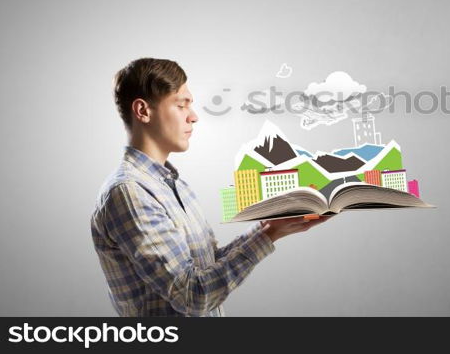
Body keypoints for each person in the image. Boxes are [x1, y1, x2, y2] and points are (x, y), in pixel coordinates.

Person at [90, 57, 331, 316]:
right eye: (181, 105)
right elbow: (192, 296)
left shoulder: (176, 185)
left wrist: (271, 227)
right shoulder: (130, 193)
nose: (193, 117)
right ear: (143, 111)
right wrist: (267, 237)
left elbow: (207, 266)